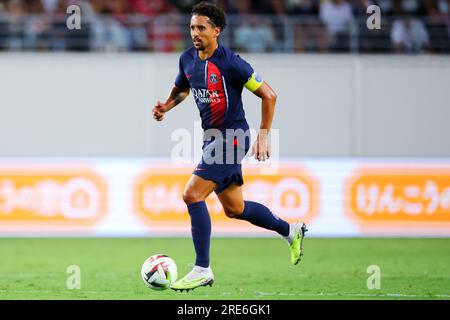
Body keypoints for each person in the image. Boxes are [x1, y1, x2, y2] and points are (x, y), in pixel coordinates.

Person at [152, 1, 307, 292]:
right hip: (213, 138)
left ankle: (202, 268)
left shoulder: (232, 63)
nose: (194, 33)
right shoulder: (187, 59)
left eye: (201, 28)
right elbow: (183, 88)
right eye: (191, 28)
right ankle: (291, 230)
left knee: (191, 195)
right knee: (235, 209)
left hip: (233, 137)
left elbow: (269, 95)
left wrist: (264, 135)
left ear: (216, 31)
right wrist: (166, 106)